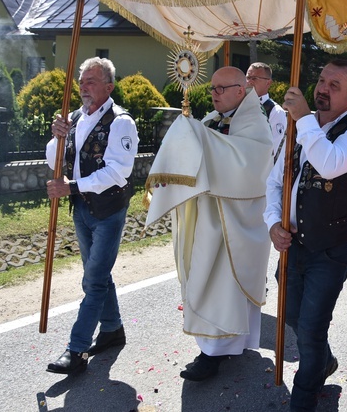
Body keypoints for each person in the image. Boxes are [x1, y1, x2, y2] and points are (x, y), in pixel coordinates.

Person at [145, 67, 272, 381]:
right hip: (209, 218)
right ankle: (219, 346)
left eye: (221, 88)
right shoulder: (208, 122)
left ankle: (214, 353)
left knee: (226, 285)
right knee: (206, 278)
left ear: (240, 90)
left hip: (238, 222)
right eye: (212, 88)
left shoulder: (257, 124)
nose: (213, 93)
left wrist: (199, 136)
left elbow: (248, 164)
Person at [265, 60, 347, 411]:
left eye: (335, 85)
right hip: (293, 244)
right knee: (292, 316)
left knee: (311, 330)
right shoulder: (302, 127)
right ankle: (323, 362)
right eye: (321, 79)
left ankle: (304, 398)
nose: (323, 88)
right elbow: (276, 181)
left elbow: (329, 163)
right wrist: (272, 221)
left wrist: (304, 121)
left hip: (329, 249)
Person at [45, 57, 138, 375]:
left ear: (108, 87)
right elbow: (55, 161)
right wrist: (57, 137)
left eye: (91, 81)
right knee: (98, 275)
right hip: (82, 209)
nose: (83, 86)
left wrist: (72, 187)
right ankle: (112, 330)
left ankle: (77, 349)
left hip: (109, 211)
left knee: (94, 280)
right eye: (82, 81)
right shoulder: (73, 118)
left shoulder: (121, 122)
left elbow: (118, 172)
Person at [245, 62, 287, 158]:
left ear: (268, 83)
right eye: (248, 77)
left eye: (254, 78)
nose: (249, 82)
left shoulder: (275, 112)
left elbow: (270, 150)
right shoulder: (238, 105)